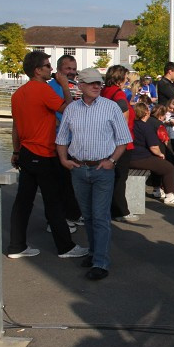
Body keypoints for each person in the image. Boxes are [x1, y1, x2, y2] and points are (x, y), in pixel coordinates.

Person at [7, 51, 87, 260]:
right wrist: (63, 86)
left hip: (26, 153)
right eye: (47, 65)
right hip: (44, 152)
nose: (51, 69)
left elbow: (15, 127)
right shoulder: (42, 89)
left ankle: (16, 246)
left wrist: (16, 151)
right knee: (54, 202)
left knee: (23, 201)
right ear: (37, 70)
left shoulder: (18, 94)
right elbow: (69, 109)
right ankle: (65, 247)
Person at [55, 68, 132, 281]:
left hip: (101, 169)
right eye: (91, 83)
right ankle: (94, 253)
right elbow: (61, 138)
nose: (97, 86)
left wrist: (112, 161)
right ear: (80, 86)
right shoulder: (72, 110)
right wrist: (64, 160)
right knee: (88, 216)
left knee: (100, 217)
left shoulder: (111, 107)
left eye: (99, 83)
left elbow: (123, 139)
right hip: (79, 168)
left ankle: (100, 262)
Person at [47, 54, 83, 229]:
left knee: (68, 181)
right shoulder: (52, 87)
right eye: (68, 68)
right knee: (59, 183)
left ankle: (72, 214)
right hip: (55, 142)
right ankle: (57, 221)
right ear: (59, 68)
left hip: (69, 141)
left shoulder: (70, 86)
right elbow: (63, 112)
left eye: (74, 69)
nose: (72, 72)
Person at [128, 103, 174, 206]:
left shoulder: (131, 124)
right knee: (168, 167)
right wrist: (160, 154)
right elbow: (154, 147)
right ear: (146, 112)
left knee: (158, 165)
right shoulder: (146, 127)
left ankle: (157, 190)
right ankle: (169, 196)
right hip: (141, 158)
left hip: (129, 157)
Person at [102, 65, 138, 223]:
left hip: (107, 141)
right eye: (126, 78)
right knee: (119, 178)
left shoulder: (104, 91)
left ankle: (111, 209)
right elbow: (123, 120)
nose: (127, 81)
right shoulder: (118, 94)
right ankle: (120, 211)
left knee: (109, 178)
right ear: (121, 78)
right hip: (121, 143)